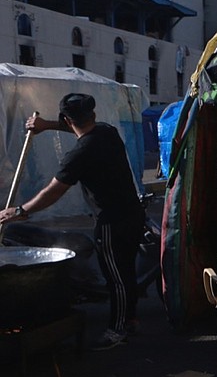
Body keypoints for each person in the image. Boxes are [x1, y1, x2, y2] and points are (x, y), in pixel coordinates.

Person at [0, 93, 145, 350]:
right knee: (126, 272)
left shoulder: (80, 154)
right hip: (132, 213)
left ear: (67, 119)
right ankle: (130, 320)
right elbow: (73, 126)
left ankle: (118, 330)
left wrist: (20, 210)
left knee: (116, 277)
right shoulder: (106, 132)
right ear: (93, 115)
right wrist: (45, 125)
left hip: (112, 221)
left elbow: (53, 191)